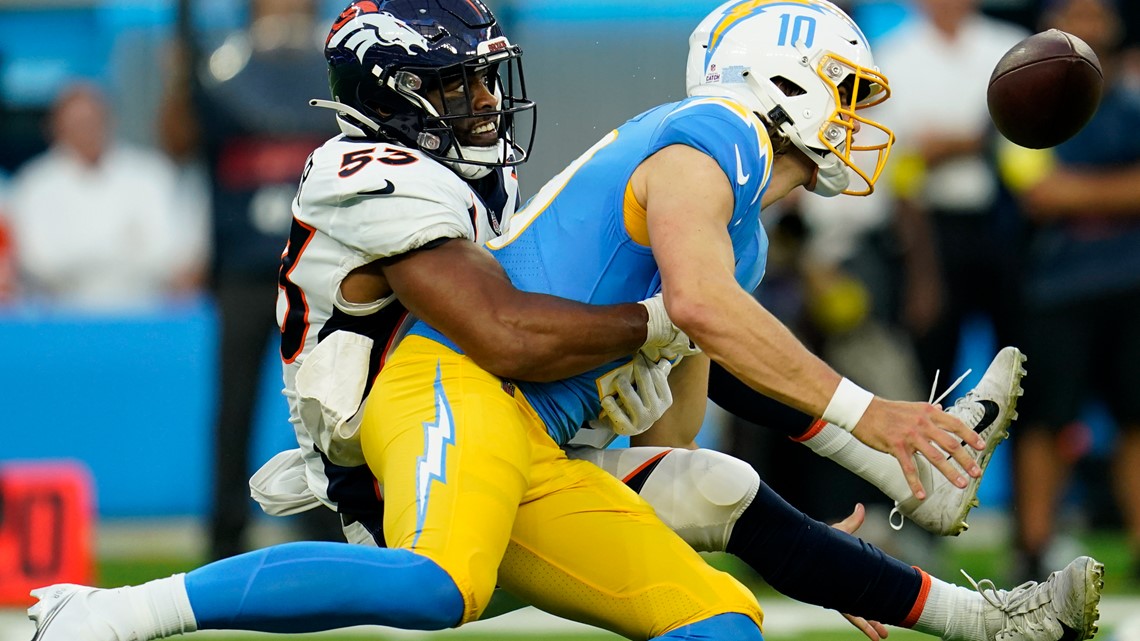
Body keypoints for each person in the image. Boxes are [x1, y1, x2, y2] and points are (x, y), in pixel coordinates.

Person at [28, 1, 1103, 640]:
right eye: (851, 87)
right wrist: (879, 427)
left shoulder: (746, 232)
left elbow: (687, 393)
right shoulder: (712, 135)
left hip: (531, 435)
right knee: (440, 587)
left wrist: (878, 457)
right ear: (779, 75)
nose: (869, 116)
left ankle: (980, 618)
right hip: (445, 387)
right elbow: (652, 315)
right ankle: (113, 613)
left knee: (723, 617)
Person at [159, 0, 346, 559]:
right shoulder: (221, 65)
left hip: (317, 265)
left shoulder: (333, 64)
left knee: (334, 404)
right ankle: (224, 536)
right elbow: (178, 142)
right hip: (242, 266)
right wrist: (180, 71)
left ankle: (335, 526)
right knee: (234, 407)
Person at [999, 0, 1140, 582]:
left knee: (1137, 418)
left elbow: (1061, 190)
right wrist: (1121, 190)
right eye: (1073, 12)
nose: (1087, 26)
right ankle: (1033, 548)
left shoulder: (1131, 102)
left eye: (1095, 13)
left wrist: (1078, 192)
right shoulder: (1018, 98)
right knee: (1045, 422)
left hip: (1131, 283)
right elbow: (1038, 193)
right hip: (1054, 284)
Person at [870, 0, 1029, 396]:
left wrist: (948, 145)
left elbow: (1027, 145)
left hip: (1008, 222)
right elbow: (898, 163)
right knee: (932, 373)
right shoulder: (892, 58)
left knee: (1024, 374)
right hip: (930, 227)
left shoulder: (1012, 49)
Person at [7, 83, 199, 310]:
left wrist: (81, 252)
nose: (86, 130)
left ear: (110, 121)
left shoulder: (151, 174)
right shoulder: (34, 184)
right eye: (77, 124)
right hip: (59, 319)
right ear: (56, 128)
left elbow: (171, 252)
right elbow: (39, 260)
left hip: (145, 315)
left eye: (93, 121)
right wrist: (124, 245)